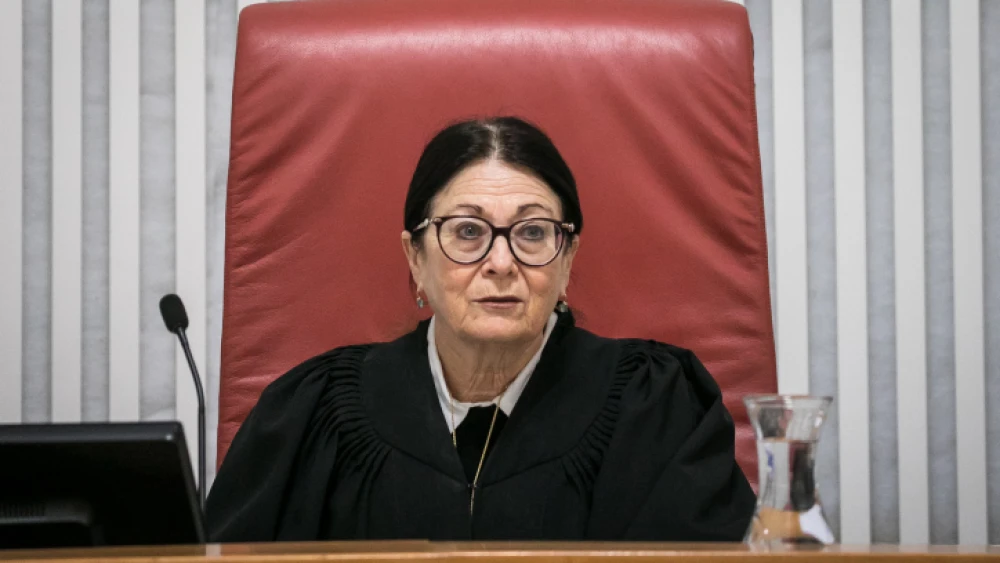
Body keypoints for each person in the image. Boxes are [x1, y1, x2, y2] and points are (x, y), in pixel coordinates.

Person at [206, 117, 755, 542]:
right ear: (415, 258)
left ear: (567, 262)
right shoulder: (312, 412)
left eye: (533, 232)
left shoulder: (658, 407)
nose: (500, 262)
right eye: (467, 231)